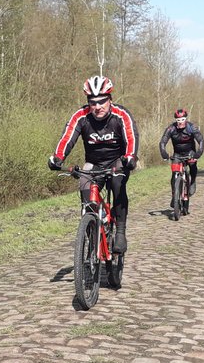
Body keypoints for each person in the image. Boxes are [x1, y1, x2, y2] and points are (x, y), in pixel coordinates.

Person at [48, 75, 139, 253]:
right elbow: (68, 136)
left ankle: (120, 231)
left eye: (102, 101)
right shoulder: (81, 116)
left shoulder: (121, 115)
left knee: (117, 183)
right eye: (93, 102)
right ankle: (91, 230)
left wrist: (130, 156)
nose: (97, 107)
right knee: (85, 187)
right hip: (93, 163)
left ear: (110, 99)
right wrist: (58, 157)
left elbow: (131, 136)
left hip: (117, 162)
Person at [159, 108, 204, 213]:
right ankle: (174, 195)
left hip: (190, 153)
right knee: (174, 173)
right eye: (178, 120)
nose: (180, 122)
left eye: (183, 119)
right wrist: (164, 153)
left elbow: (201, 140)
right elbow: (163, 142)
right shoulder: (171, 129)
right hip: (177, 154)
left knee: (192, 166)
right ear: (176, 120)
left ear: (186, 118)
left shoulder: (191, 127)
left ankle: (193, 181)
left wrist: (198, 153)